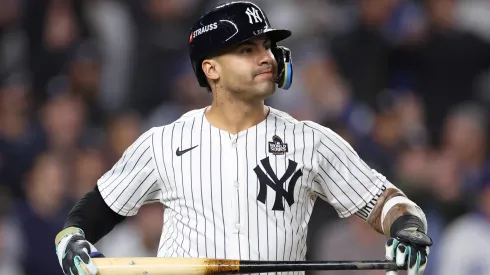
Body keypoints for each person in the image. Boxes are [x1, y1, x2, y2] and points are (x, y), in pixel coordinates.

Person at [54, 2, 433, 275]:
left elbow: (384, 203)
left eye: (267, 47)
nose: (266, 57)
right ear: (211, 69)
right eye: (247, 49)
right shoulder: (163, 142)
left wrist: (406, 226)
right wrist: (72, 239)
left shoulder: (311, 140)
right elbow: (91, 215)